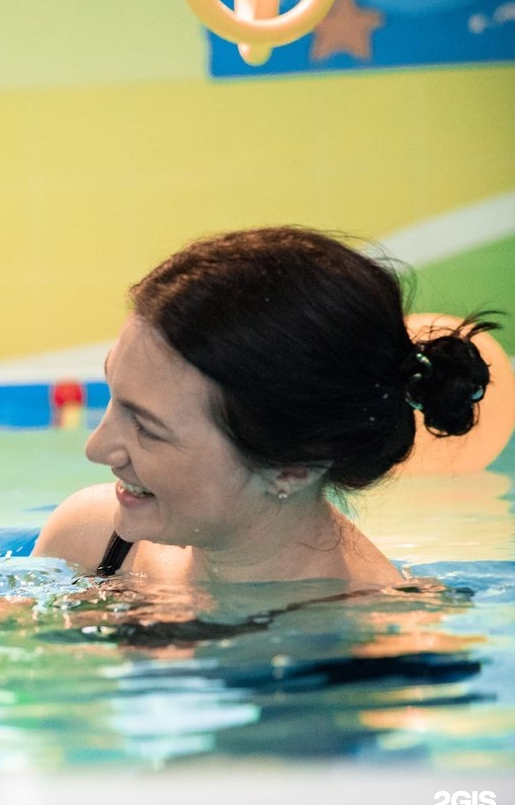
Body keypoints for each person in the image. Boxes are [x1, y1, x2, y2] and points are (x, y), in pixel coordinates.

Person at [34, 226, 498, 589]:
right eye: (113, 396)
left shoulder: (368, 647)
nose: (97, 448)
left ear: (291, 468)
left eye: (149, 428)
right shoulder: (93, 541)